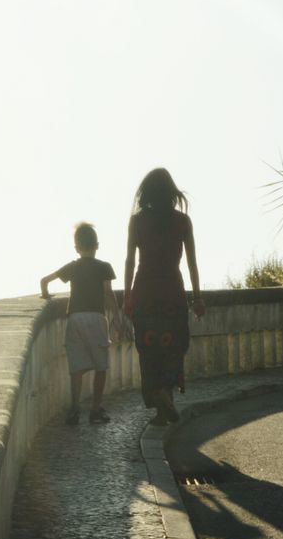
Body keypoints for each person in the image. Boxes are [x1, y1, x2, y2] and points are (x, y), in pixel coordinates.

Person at [123, 168, 205, 426]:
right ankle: (165, 397)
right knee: (173, 346)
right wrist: (198, 297)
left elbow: (129, 261)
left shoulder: (138, 221)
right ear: (171, 192)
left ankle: (159, 403)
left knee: (149, 349)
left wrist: (127, 296)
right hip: (172, 292)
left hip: (144, 291)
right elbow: (192, 263)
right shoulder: (182, 221)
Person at [40, 222, 124, 425]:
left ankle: (74, 409)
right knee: (101, 366)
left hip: (75, 318)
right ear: (97, 245)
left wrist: (45, 294)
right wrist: (118, 319)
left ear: (76, 247)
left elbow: (44, 281)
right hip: (96, 318)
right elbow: (108, 293)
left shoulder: (73, 267)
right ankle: (95, 410)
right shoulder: (104, 267)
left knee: (76, 368)